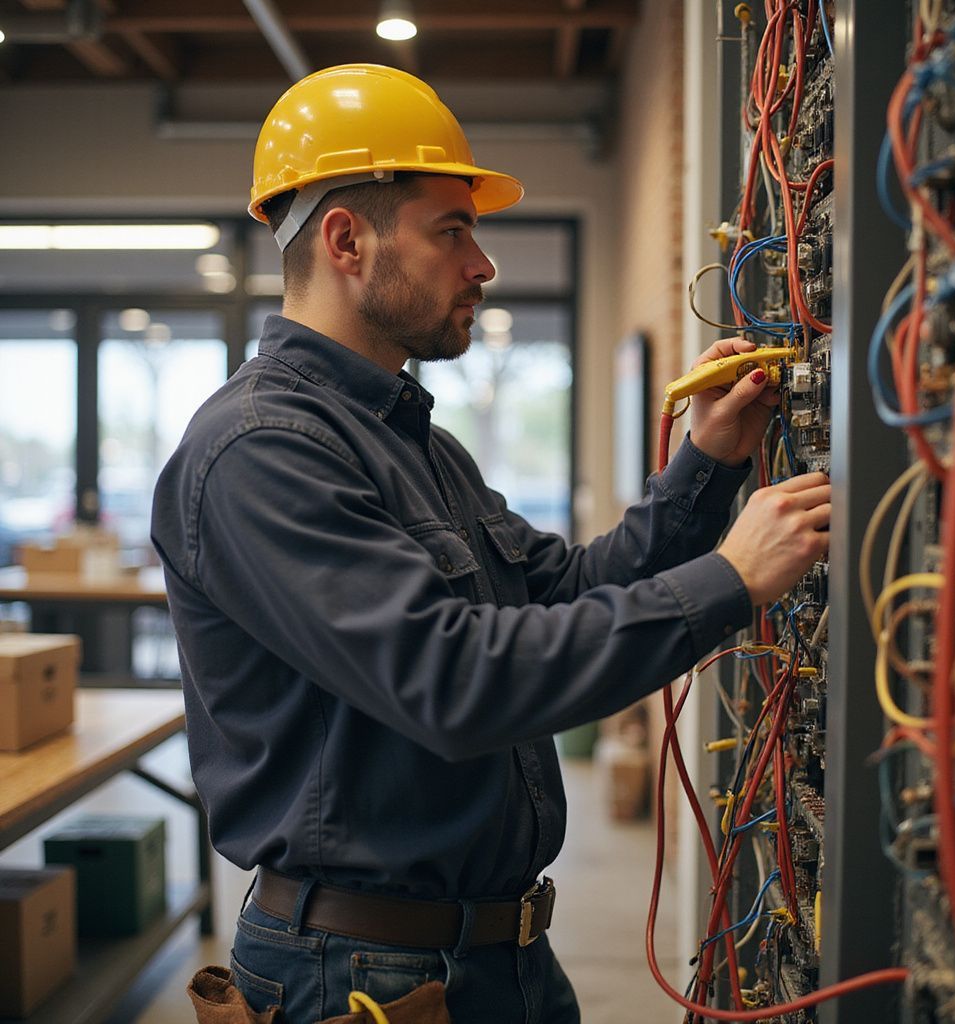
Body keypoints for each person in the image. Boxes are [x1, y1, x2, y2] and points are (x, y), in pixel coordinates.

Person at [151, 64, 831, 1024]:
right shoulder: (260, 453)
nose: (483, 264)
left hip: (495, 956)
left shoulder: (417, 444)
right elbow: (457, 682)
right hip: (359, 977)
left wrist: (707, 461)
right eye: (452, 229)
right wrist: (727, 581)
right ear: (346, 239)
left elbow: (561, 591)